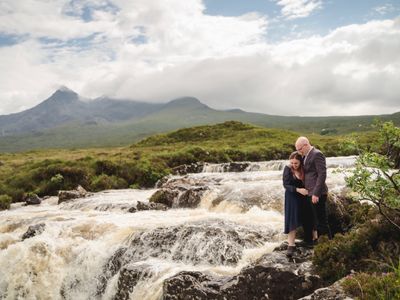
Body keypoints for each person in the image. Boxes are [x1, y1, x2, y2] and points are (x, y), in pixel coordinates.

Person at [295, 137, 332, 244]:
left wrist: (316, 193)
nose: (299, 151)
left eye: (300, 149)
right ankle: (319, 243)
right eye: (297, 149)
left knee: (322, 221)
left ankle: (327, 245)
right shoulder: (305, 155)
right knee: (315, 220)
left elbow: (322, 174)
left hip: (318, 193)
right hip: (310, 192)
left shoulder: (317, 154)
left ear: (306, 145)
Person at [283, 151, 309, 257]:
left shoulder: (304, 169)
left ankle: (311, 239)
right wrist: (298, 190)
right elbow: (286, 185)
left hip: (303, 197)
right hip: (292, 196)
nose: (293, 165)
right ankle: (291, 245)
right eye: (292, 163)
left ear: (301, 162)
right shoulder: (288, 169)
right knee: (292, 219)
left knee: (307, 217)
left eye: (296, 163)